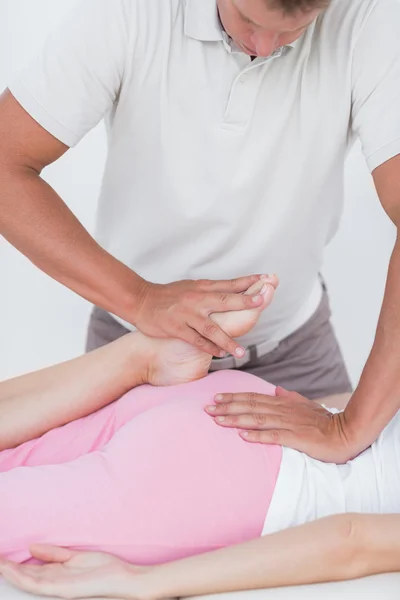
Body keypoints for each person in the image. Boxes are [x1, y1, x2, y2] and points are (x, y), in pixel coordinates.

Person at [1, 0, 400, 466]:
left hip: (295, 348)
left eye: (295, 29)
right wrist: (142, 300)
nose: (265, 47)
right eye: (248, 21)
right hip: (135, 343)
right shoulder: (127, 13)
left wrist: (349, 427)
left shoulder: (370, 17)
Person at [0, 279, 399, 599]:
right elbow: (351, 540)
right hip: (224, 489)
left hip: (233, 400)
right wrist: (146, 581)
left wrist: (334, 418)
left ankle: (143, 357)